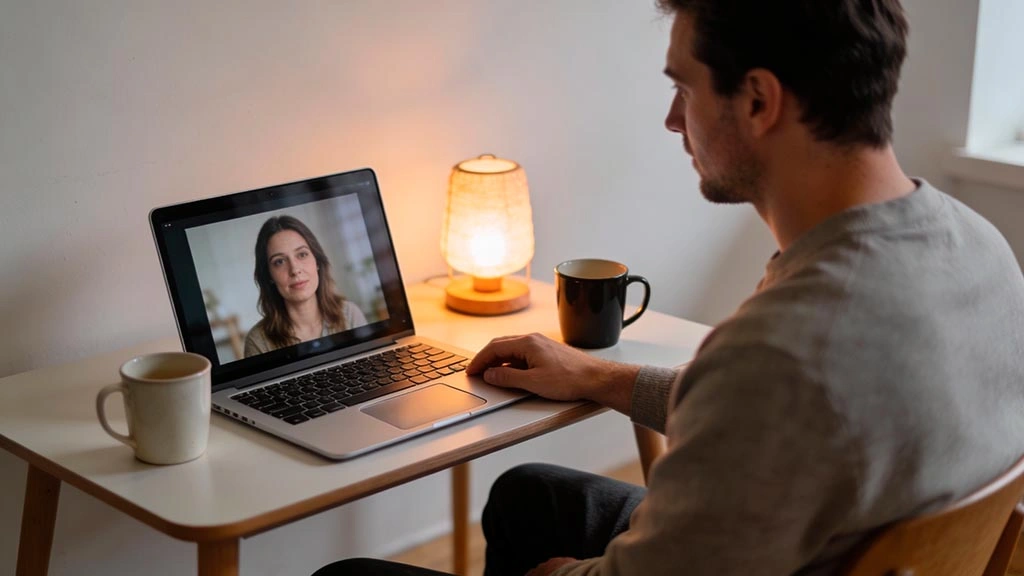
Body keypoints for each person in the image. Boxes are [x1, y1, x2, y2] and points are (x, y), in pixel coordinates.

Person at [314, 1, 1024, 575]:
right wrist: (599, 376)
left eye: (683, 87)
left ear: (757, 101)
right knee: (529, 496)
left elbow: (765, 396)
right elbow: (772, 420)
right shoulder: (979, 245)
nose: (673, 119)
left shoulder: (784, 349)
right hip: (830, 540)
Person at [244, 215, 368, 357]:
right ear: (269, 275)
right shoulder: (258, 342)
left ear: (317, 262)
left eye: (302, 254)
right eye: (279, 262)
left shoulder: (350, 314)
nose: (295, 270)